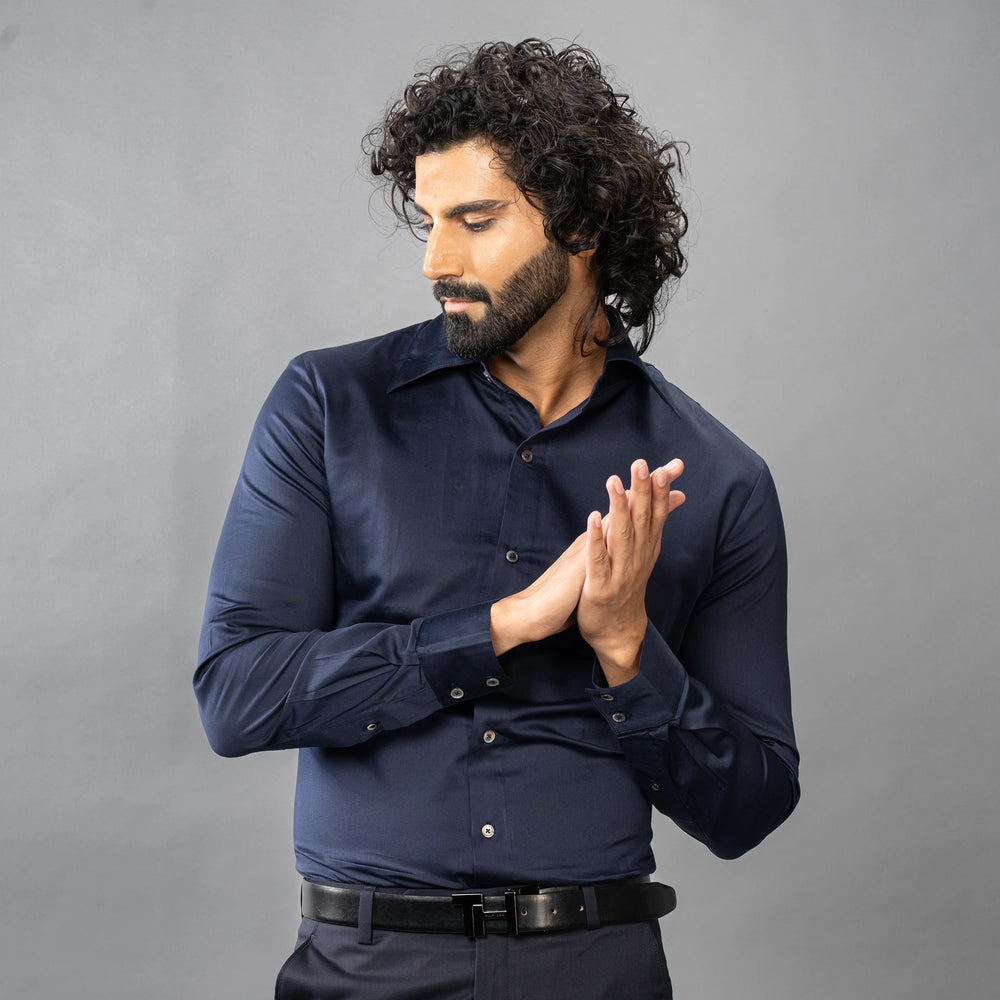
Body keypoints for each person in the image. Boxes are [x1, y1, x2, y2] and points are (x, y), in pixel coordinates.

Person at [195, 38, 799, 1000]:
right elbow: (235, 695)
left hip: (598, 968)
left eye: (475, 220)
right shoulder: (330, 405)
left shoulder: (717, 478)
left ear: (586, 218)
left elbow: (749, 807)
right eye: (428, 222)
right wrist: (500, 626)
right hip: (365, 970)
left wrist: (628, 647)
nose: (437, 259)